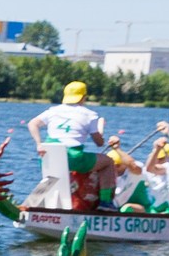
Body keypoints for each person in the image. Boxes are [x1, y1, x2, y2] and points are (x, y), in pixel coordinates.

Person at [29, 82, 109, 211]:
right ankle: (106, 203)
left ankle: (33, 203)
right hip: (73, 159)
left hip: (47, 156)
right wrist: (100, 130)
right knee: (108, 162)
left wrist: (39, 144)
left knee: (53, 172)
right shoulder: (90, 115)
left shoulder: (52, 111)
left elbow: (32, 124)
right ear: (83, 97)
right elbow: (99, 143)